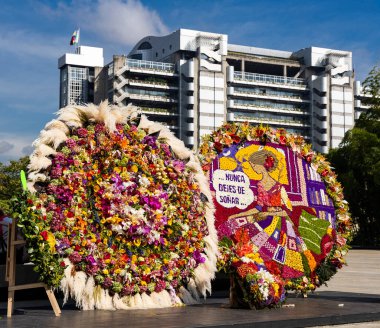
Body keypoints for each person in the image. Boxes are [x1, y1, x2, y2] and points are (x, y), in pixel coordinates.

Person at [228, 149, 292, 222]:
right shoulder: (260, 185)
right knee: (235, 223)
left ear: (262, 165)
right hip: (266, 218)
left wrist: (268, 213)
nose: (253, 168)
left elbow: (288, 211)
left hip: (279, 221)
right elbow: (258, 208)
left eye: (254, 165)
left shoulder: (279, 187)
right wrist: (236, 215)